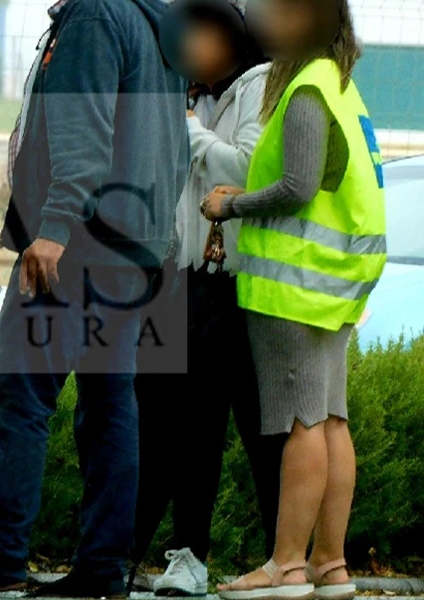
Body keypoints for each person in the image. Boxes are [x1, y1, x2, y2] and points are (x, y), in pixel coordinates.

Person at [0, 0, 188, 597]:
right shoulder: (153, 19)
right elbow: (174, 146)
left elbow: (82, 130)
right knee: (110, 402)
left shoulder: (94, 16)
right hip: (132, 244)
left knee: (19, 390)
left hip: (82, 243)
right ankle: (102, 568)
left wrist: (55, 227)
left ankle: (0, 555)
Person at [201, 0, 386, 598]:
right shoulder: (339, 85)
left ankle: (285, 567)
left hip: (295, 287)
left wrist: (231, 205)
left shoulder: (305, 89)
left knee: (302, 423)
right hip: (334, 280)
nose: (259, 20)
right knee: (331, 419)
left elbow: (297, 188)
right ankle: (330, 566)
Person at [129, 0, 284, 595]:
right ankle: (181, 556)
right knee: (184, 427)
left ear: (232, 37)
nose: (189, 44)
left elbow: (244, 169)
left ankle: (285, 560)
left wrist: (186, 130)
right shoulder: (193, 95)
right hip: (187, 280)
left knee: (261, 431)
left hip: (243, 286)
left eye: (201, 33)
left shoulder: (261, 85)